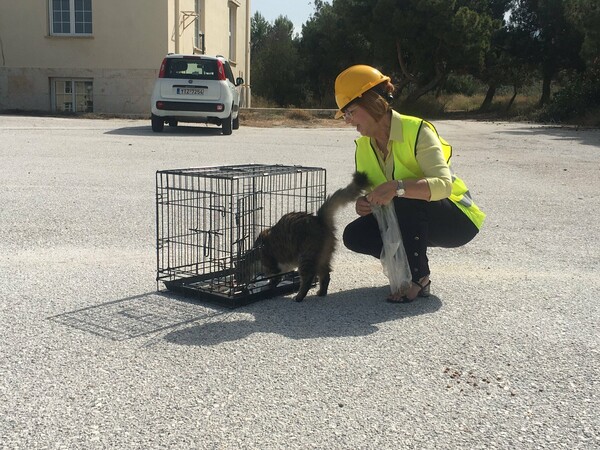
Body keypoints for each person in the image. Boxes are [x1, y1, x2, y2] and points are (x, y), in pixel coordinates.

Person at [334, 64, 486, 303]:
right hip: (413, 219)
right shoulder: (363, 148)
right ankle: (403, 270)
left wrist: (397, 187)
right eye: (345, 115)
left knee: (404, 197)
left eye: (350, 112)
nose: (347, 121)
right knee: (355, 235)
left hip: (456, 220)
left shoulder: (418, 130)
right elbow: (376, 196)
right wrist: (365, 203)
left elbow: (443, 185)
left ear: (372, 103)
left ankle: (418, 278)